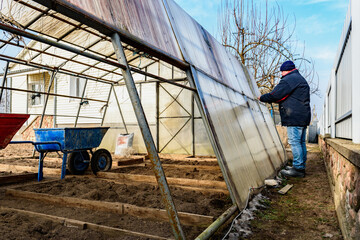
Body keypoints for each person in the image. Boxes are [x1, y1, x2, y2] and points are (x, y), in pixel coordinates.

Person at [258, 60, 311, 178]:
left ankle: (298, 169)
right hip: (303, 116)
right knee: (301, 142)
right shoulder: (299, 79)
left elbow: (275, 95)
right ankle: (300, 166)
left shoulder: (289, 79)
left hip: (294, 116)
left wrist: (261, 97)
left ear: (286, 70)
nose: (281, 74)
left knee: (294, 142)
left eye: (282, 72)